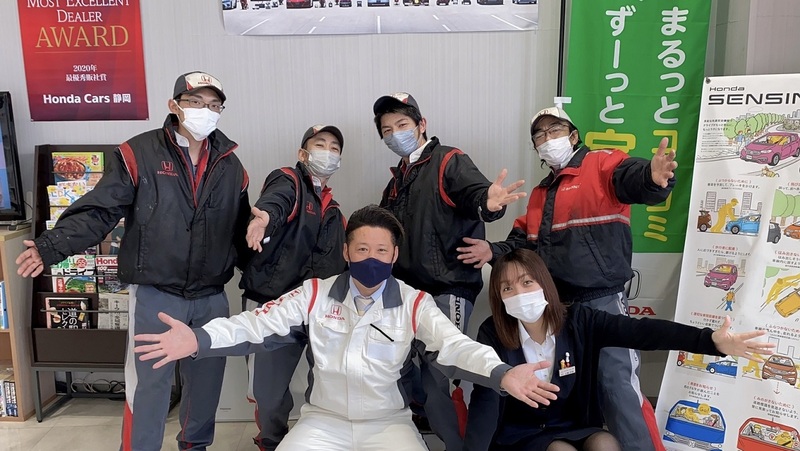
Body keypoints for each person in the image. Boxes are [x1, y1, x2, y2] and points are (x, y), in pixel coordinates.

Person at [133, 205, 559, 451]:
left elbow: (455, 345)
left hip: (389, 425)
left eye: (381, 250)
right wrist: (198, 338)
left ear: (394, 256)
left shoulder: (414, 302)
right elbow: (256, 324)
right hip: (323, 423)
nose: (371, 258)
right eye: (362, 248)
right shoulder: (314, 293)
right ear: (346, 251)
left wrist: (502, 373)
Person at [16, 71, 251, 451]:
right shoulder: (137, 153)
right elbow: (100, 211)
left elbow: (241, 232)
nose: (204, 111)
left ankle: (195, 447)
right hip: (157, 296)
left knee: (206, 388)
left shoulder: (231, 166)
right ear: (174, 105)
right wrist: (51, 246)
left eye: (213, 105)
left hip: (211, 297)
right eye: (195, 102)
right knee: (148, 390)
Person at [457, 106, 678, 451]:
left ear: (573, 135)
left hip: (601, 300)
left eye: (555, 130)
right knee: (569, 387)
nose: (548, 139)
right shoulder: (540, 195)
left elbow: (632, 178)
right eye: (540, 135)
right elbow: (522, 244)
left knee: (616, 384)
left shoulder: (602, 164)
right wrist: (491, 250)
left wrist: (651, 178)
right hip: (559, 310)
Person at [464, 248, 775, 451]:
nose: (519, 293)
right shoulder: (492, 333)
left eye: (527, 282)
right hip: (522, 433)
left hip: (573, 426)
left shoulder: (579, 321)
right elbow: (484, 399)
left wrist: (709, 341)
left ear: (544, 284)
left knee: (605, 443)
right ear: (499, 297)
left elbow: (641, 332)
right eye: (507, 288)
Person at [373, 92, 526, 450]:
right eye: (387, 130)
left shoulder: (448, 160)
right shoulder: (395, 183)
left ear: (421, 125)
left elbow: (477, 196)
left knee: (440, 375)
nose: (395, 134)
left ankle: (459, 445)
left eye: (402, 124)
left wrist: (489, 204)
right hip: (405, 294)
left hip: (447, 288)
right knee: (400, 370)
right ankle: (429, 429)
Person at [240, 124, 347, 450]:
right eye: (320, 145)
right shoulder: (289, 180)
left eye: (334, 148)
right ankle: (271, 441)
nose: (327, 152)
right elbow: (276, 202)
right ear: (303, 153)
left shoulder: (335, 213)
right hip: (273, 304)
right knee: (268, 392)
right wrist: (264, 219)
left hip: (319, 312)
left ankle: (316, 440)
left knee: (327, 384)